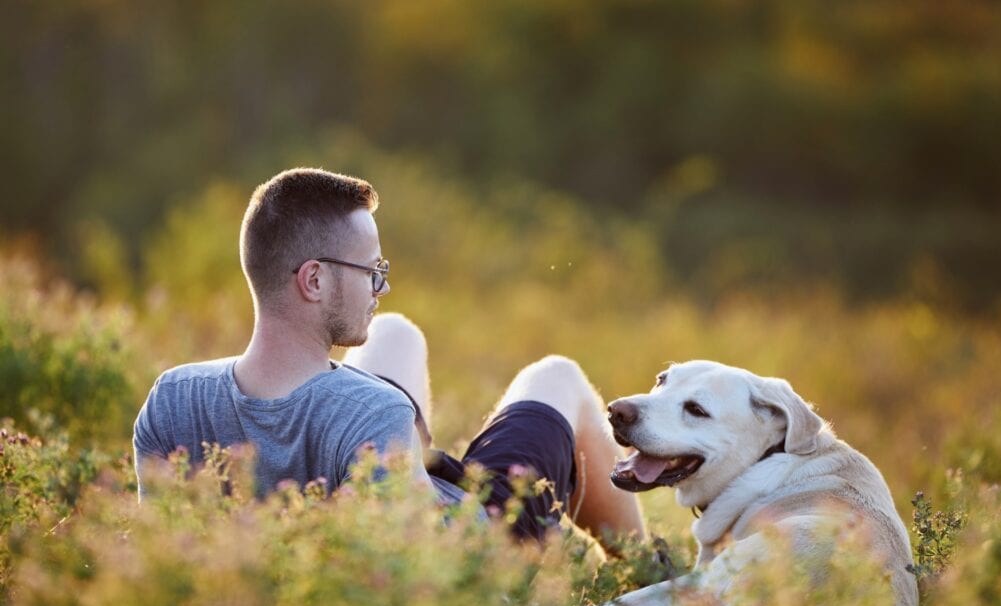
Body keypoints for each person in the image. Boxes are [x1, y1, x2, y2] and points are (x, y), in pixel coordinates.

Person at [133, 167, 645, 549]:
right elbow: (414, 572)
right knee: (557, 376)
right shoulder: (375, 414)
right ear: (314, 279)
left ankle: (425, 468)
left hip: (401, 471)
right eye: (371, 271)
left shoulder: (171, 398)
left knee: (395, 332)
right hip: (482, 543)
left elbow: (165, 555)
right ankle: (653, 576)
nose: (382, 286)